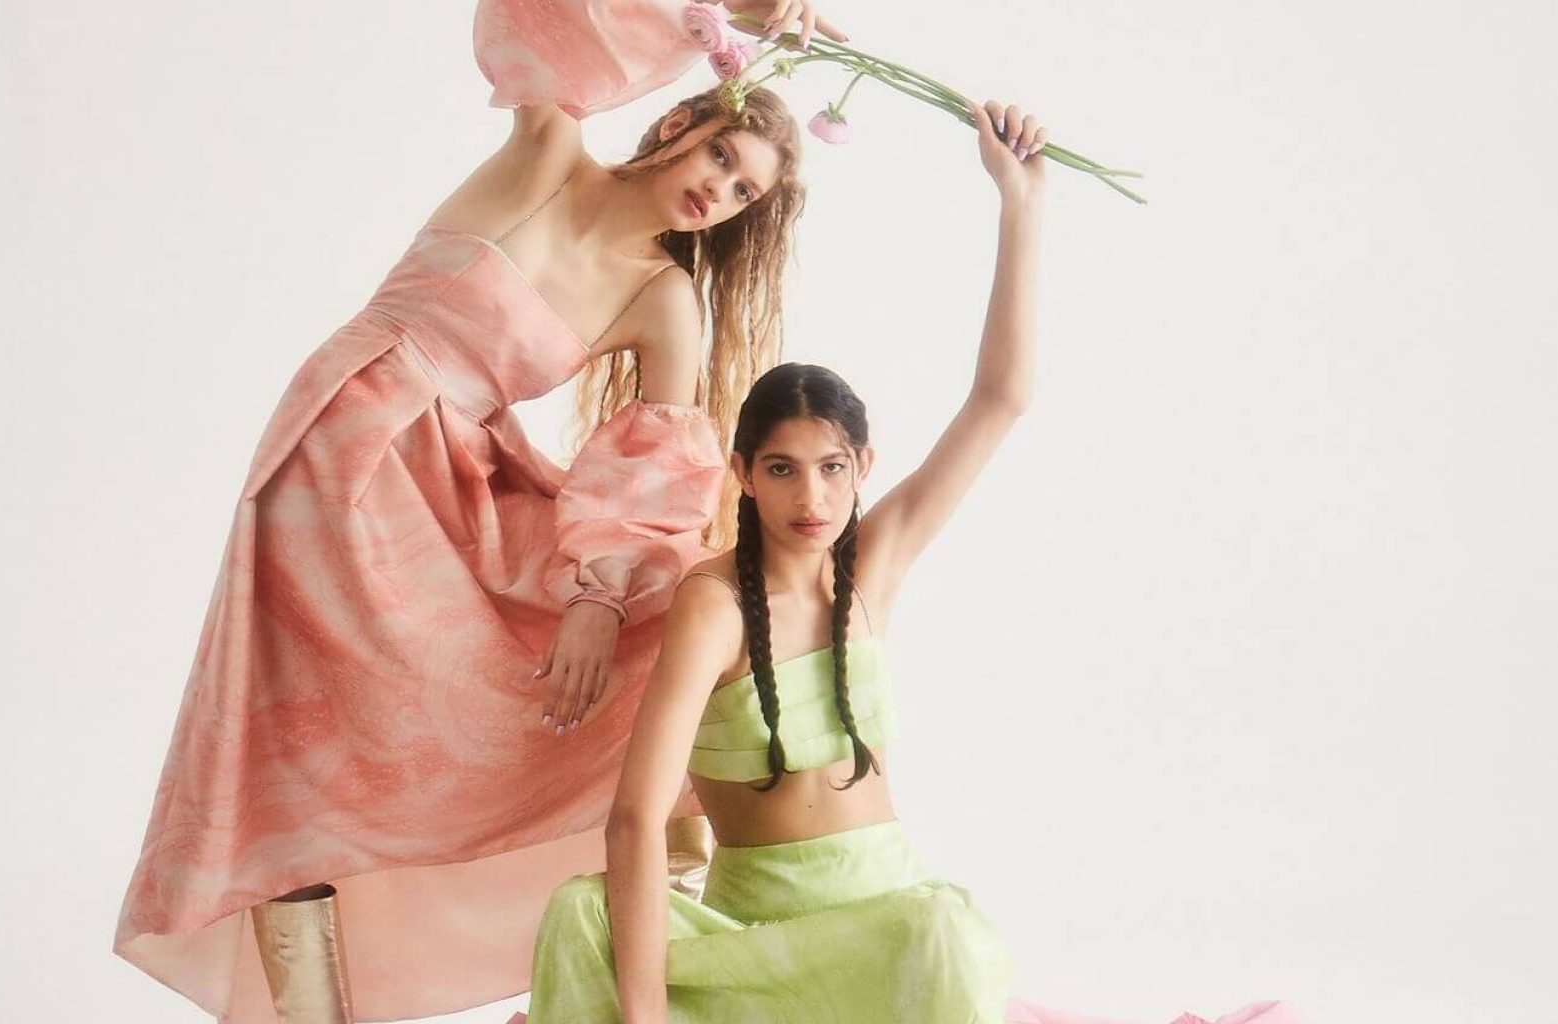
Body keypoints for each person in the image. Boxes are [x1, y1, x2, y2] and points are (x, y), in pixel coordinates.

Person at [112, 1, 846, 1021]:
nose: (715, 191)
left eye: (739, 192)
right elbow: (541, 22)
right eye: (720, 156)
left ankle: (669, 908)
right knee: (288, 738)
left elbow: (654, 475)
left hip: (451, 477)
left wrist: (595, 594)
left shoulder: (660, 298)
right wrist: (718, 18)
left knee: (678, 604)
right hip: (342, 440)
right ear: (679, 124)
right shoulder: (549, 155)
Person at [522, 98, 1050, 1023]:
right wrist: (644, 1018)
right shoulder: (716, 602)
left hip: (879, 934)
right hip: (750, 950)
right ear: (743, 475)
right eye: (781, 470)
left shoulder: (873, 564)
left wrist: (1019, 205)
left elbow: (1001, 397)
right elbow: (638, 817)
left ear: (861, 471)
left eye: (831, 470)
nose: (811, 500)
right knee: (579, 914)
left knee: (946, 933)